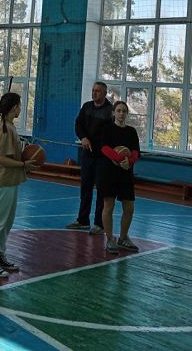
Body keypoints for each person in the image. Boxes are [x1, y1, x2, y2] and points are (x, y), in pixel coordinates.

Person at [0, 93, 37, 277]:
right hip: (2, 180)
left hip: (10, 180)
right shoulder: (5, 128)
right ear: (14, 107)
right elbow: (2, 159)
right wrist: (23, 164)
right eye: (19, 105)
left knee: (6, 222)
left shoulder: (10, 126)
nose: (21, 109)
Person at [67, 81, 113, 234]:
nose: (94, 93)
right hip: (87, 155)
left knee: (101, 190)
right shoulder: (86, 107)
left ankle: (99, 224)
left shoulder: (110, 111)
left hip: (103, 157)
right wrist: (83, 138)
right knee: (85, 187)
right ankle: (83, 220)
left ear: (104, 93)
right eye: (93, 90)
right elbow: (78, 124)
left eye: (98, 91)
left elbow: (111, 134)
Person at [98, 100, 141, 254]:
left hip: (126, 174)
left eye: (124, 111)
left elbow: (136, 151)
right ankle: (110, 239)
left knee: (129, 208)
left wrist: (129, 162)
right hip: (109, 173)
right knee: (108, 206)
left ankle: (123, 238)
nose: (121, 113)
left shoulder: (131, 131)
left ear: (127, 113)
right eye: (119, 111)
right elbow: (104, 148)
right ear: (113, 113)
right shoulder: (107, 129)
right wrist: (119, 159)